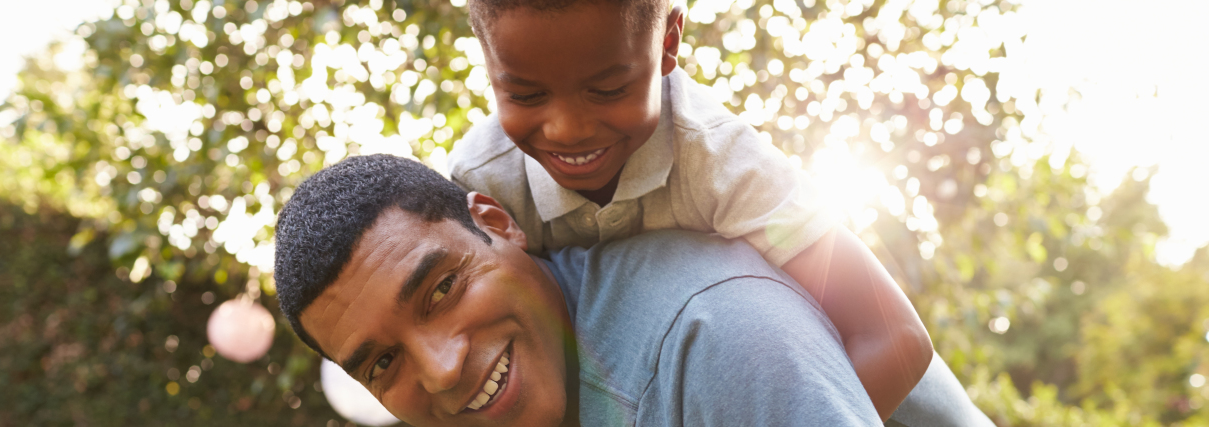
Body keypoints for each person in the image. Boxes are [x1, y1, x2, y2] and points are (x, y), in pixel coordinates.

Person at [448, 0, 933, 420]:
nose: (567, 130)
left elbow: (895, 340)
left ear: (667, 43)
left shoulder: (725, 165)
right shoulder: (485, 183)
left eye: (608, 89)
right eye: (526, 95)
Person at [273, 155, 881, 426]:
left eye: (441, 290)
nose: (441, 371)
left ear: (497, 223)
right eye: (383, 362)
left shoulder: (714, 338)